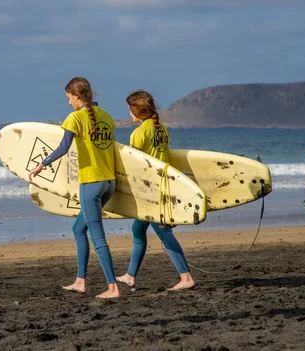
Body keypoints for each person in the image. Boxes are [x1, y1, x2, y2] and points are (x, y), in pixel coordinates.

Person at [28, 77, 119, 299]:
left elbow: (63, 147)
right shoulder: (106, 116)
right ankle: (80, 280)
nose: (68, 103)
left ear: (77, 96)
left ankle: (112, 287)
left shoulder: (75, 118)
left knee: (98, 238)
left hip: (90, 183)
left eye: (69, 98)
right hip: (109, 183)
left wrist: (41, 165)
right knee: (79, 230)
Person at [116, 90, 197, 291]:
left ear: (137, 110)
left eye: (130, 109)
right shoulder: (162, 129)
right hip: (163, 185)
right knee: (138, 229)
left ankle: (186, 277)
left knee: (162, 231)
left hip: (149, 190)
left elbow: (135, 165)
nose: (129, 113)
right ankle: (130, 275)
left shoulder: (139, 133)